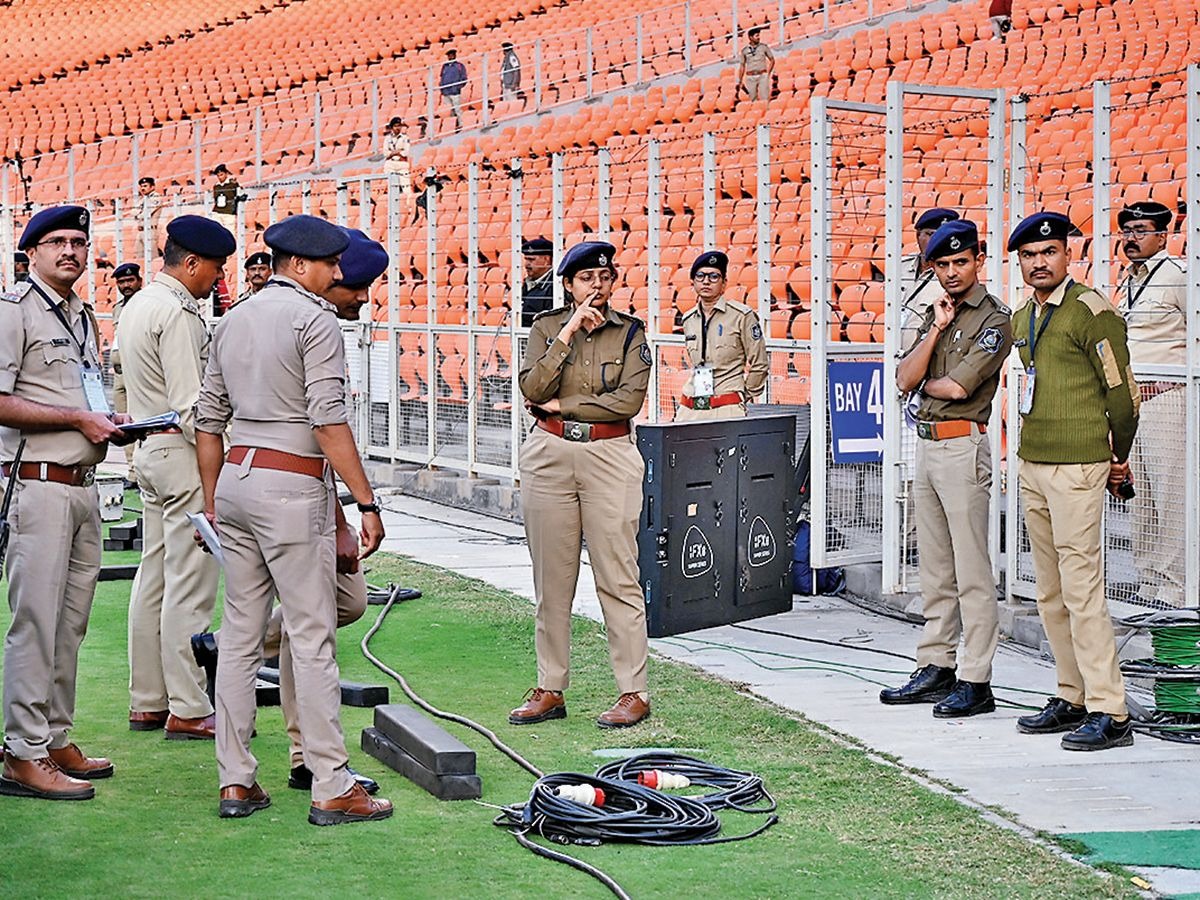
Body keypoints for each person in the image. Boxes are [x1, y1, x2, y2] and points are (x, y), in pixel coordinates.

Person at [194, 214, 392, 824]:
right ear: (301, 266)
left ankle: (236, 780)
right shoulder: (315, 319)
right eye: (332, 264)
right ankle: (332, 784)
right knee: (311, 638)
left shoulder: (232, 318)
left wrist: (211, 500)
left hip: (235, 480)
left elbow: (208, 421)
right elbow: (328, 423)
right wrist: (366, 502)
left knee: (240, 637)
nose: (340, 273)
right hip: (290, 485)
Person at [0, 206, 130, 801]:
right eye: (58, 242)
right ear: (32, 253)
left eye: (80, 241)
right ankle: (21, 751)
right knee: (36, 622)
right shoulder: (12, 311)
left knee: (70, 623)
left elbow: (82, 392)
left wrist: (108, 422)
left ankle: (53, 737)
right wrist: (79, 417)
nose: (72, 251)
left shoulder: (82, 315)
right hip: (37, 484)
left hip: (80, 485)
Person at [1009, 211, 1138, 752]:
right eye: (1030, 256)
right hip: (1033, 461)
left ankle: (1112, 710)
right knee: (1049, 590)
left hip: (1080, 465)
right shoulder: (1023, 316)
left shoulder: (1092, 311)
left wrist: (1118, 457)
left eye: (1049, 253)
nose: (1040, 263)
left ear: (1068, 255)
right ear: (1020, 262)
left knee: (1082, 589)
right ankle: (1072, 694)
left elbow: (1124, 396)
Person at [511, 241, 653, 729]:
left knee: (617, 574)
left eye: (605, 277)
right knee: (552, 578)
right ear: (568, 284)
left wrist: (564, 407)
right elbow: (532, 389)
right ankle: (551, 686)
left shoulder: (631, 333)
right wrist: (568, 332)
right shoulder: (547, 327)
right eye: (587, 278)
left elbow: (628, 402)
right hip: (549, 455)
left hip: (610, 453)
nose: (598, 285)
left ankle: (633, 691)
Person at [882, 220, 1012, 717]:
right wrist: (936, 328)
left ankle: (976, 677)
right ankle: (937, 663)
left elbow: (958, 388)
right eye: (943, 264)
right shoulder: (940, 314)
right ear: (932, 267)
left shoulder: (994, 318)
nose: (953, 272)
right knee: (935, 567)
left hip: (963, 446)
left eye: (961, 262)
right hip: (929, 446)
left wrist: (922, 381)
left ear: (978, 259)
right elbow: (902, 376)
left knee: (972, 568)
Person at [118, 216, 233, 741]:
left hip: (147, 451)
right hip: (183, 454)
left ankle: (148, 698)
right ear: (191, 263)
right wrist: (215, 487)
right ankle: (187, 704)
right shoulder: (180, 314)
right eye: (215, 267)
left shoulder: (138, 304)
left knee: (154, 577)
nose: (219, 278)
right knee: (189, 585)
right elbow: (195, 410)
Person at [1115, 200, 1187, 606]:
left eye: (1140, 230)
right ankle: (1149, 578)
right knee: (1140, 493)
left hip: (1165, 399)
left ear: (1163, 235)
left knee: (1169, 492)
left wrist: (1173, 379)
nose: (1131, 238)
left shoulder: (1176, 275)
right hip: (1132, 401)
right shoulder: (1128, 279)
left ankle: (1175, 586)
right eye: (1127, 231)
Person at [676, 250, 768, 421]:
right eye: (700, 276)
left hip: (727, 405)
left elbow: (760, 364)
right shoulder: (689, 318)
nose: (706, 281)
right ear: (693, 282)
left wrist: (742, 395)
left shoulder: (742, 316)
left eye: (713, 276)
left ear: (724, 283)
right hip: (692, 404)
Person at [899, 208, 961, 353]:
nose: (936, 241)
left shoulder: (953, 274)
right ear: (917, 235)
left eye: (942, 235)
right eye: (930, 234)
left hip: (929, 354)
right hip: (893, 352)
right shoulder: (899, 267)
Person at [110, 262, 144, 488]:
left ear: (139, 281)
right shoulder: (118, 308)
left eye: (130, 281)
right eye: (121, 282)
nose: (126, 285)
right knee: (123, 423)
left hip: (137, 371)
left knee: (139, 420)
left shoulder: (145, 304)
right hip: (119, 374)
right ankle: (131, 472)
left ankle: (140, 471)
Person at [519, 237, 554, 327]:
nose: (526, 264)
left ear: (547, 260)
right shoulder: (527, 283)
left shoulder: (555, 287)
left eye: (531, 260)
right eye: (526, 259)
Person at [737, 28, 774, 102]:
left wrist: (768, 73)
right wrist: (740, 80)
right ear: (751, 37)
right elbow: (742, 66)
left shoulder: (764, 47)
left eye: (759, 35)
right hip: (750, 77)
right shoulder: (744, 50)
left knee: (765, 97)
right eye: (756, 36)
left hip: (762, 75)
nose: (758, 37)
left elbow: (772, 60)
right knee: (752, 98)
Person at [135, 176, 165, 261]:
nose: (143, 188)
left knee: (152, 257)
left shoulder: (156, 197)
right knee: (139, 257)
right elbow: (133, 212)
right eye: (141, 186)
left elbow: (146, 213)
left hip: (150, 230)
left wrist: (139, 214)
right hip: (140, 230)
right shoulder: (143, 199)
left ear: (152, 187)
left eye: (145, 186)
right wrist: (138, 213)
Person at [439, 49, 468, 133]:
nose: (450, 56)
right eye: (449, 55)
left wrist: (458, 87)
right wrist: (442, 88)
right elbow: (442, 77)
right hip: (446, 92)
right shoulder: (445, 66)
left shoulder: (459, 66)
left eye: (452, 55)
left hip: (455, 91)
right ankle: (452, 126)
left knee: (457, 109)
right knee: (449, 111)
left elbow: (464, 78)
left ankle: (461, 124)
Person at [382, 117, 412, 195]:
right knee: (392, 187)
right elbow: (385, 153)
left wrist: (392, 153)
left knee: (406, 187)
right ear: (392, 127)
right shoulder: (387, 138)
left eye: (399, 126)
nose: (397, 128)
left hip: (402, 163)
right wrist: (398, 151)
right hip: (390, 164)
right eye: (395, 126)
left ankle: (409, 204)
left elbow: (406, 152)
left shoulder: (405, 138)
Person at [210, 164, 240, 233]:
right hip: (217, 212)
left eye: (221, 175)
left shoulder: (232, 184)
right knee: (217, 232)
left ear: (226, 174)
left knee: (230, 232)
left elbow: (238, 193)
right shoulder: (216, 186)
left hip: (228, 212)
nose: (220, 177)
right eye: (218, 175)